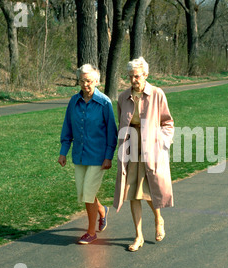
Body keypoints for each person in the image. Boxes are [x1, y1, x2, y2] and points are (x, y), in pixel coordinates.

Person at [113, 57, 174, 252]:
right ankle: (138, 236)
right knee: (132, 193)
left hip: (152, 148)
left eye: (137, 76)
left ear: (146, 75)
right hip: (131, 147)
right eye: (130, 76)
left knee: (149, 189)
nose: (133, 80)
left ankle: (158, 219)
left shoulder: (157, 94)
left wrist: (161, 143)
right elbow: (122, 122)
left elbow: (168, 123)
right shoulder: (123, 97)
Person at [58, 64, 118, 244]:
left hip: (98, 157)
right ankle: (102, 210)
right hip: (79, 155)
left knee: (88, 193)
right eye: (83, 81)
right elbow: (67, 127)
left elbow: (111, 133)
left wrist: (108, 156)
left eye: (89, 81)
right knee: (83, 193)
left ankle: (91, 232)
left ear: (97, 81)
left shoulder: (104, 103)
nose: (86, 84)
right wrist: (63, 152)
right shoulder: (73, 102)